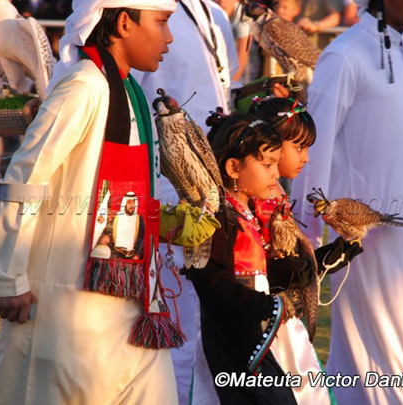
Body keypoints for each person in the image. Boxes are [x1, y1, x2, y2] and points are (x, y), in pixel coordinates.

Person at [0, 1, 217, 403]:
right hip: (67, 309)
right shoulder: (85, 86)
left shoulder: (131, 94)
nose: (168, 38)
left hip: (133, 308)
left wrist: (166, 222)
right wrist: (7, 277)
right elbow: (26, 175)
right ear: (125, 22)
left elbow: (120, 197)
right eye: (162, 22)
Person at [292, 0, 403, 403]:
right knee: (395, 363)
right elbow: (311, 154)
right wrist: (300, 245)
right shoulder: (344, 55)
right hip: (370, 245)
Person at [134, 1, 238, 403]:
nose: (168, 32)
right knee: (176, 324)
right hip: (165, 193)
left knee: (206, 329)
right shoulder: (147, 8)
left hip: (213, 194)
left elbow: (219, 94)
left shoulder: (216, 15)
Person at [251, 95, 362, 405]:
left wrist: (321, 262)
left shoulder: (275, 193)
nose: (307, 158)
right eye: (299, 147)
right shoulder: (252, 196)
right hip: (260, 322)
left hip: (284, 320)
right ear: (269, 143)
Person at [189, 112, 298, 404]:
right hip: (231, 335)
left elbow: (260, 272)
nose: (276, 174)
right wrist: (258, 304)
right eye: (267, 165)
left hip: (251, 331)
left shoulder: (249, 214)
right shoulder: (218, 217)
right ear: (234, 167)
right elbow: (207, 276)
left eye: (276, 164)